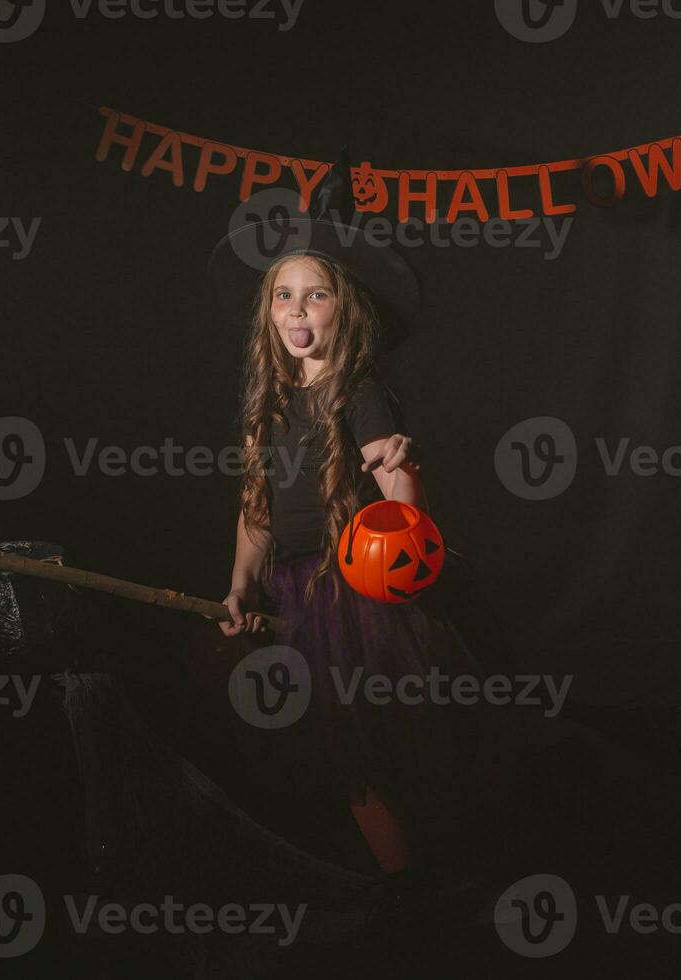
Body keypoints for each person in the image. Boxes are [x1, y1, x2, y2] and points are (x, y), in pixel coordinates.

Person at [208, 170, 508, 884]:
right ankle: (411, 879)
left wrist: (405, 474)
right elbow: (256, 508)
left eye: (317, 292)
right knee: (338, 759)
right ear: (267, 310)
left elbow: (400, 507)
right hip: (288, 593)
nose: (297, 308)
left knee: (365, 758)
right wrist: (241, 586)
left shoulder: (361, 393)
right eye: (284, 294)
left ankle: (417, 888)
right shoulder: (271, 403)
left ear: (347, 307)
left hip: (350, 595)